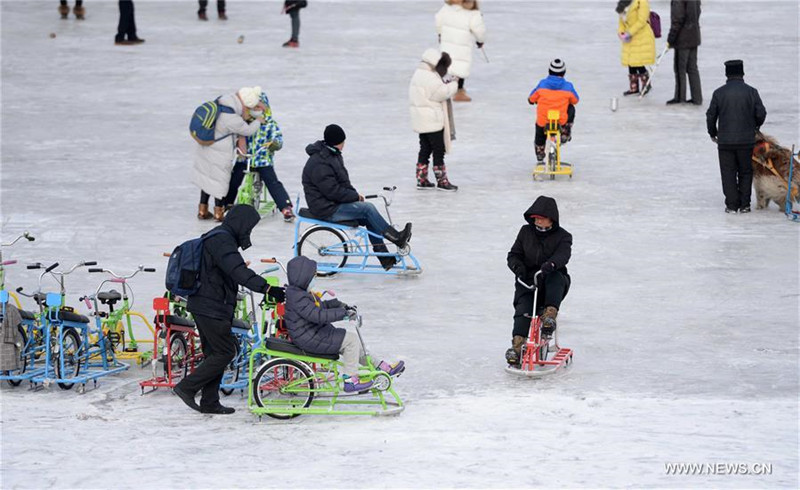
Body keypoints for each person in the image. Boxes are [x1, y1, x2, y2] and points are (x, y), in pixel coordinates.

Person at [173, 205, 286, 414]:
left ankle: (210, 402)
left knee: (214, 354)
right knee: (226, 352)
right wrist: (268, 289)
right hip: (211, 306)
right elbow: (239, 272)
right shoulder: (221, 241)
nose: (248, 232)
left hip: (206, 304)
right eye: (249, 227)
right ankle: (187, 387)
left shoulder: (218, 238)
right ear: (240, 222)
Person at [284, 256, 404, 392]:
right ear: (303, 277)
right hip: (310, 338)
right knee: (350, 340)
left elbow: (319, 307)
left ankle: (381, 367)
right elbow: (318, 315)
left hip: (313, 334)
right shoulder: (299, 298)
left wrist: (337, 304)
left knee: (353, 342)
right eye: (313, 276)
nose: (315, 279)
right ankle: (350, 381)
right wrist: (343, 313)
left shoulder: (299, 294)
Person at [301, 124, 413, 271]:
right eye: (342, 142)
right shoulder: (320, 163)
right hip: (326, 208)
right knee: (368, 209)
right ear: (336, 142)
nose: (344, 145)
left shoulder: (331, 155)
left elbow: (343, 182)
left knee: (369, 217)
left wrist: (354, 196)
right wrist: (354, 197)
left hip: (332, 203)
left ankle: (385, 258)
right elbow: (332, 191)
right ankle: (397, 238)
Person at [505, 196, 572, 367]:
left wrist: (551, 264)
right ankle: (517, 347)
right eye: (535, 217)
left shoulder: (563, 236)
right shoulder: (525, 232)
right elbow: (514, 255)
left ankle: (549, 317)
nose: (538, 220)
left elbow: (563, 255)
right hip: (528, 281)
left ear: (551, 218)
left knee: (555, 278)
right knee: (523, 309)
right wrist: (518, 268)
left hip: (551, 279)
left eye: (542, 217)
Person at [192, 87, 267, 221]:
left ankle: (202, 210)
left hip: (207, 147)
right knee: (219, 181)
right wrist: (258, 121)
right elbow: (247, 130)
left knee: (208, 180)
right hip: (219, 152)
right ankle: (218, 213)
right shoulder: (231, 118)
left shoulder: (223, 102)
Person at [223, 91, 295, 222]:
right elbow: (236, 136)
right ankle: (227, 203)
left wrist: (273, 145)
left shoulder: (269, 124)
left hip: (262, 160)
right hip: (245, 158)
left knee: (272, 182)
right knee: (234, 179)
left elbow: (277, 139)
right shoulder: (245, 122)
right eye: (253, 107)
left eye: (258, 107)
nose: (255, 110)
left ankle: (285, 206)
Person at [706, 60, 767, 214]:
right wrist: (755, 126)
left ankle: (732, 205)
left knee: (728, 172)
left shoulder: (719, 93)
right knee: (746, 171)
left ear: (727, 74)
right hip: (746, 140)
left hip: (725, 141)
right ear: (742, 73)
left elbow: (711, 115)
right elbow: (761, 113)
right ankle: (745, 204)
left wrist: (713, 132)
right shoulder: (751, 92)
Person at [409, 49, 459, 191]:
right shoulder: (430, 77)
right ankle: (442, 181)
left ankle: (421, 179)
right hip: (433, 120)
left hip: (421, 119)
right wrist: (454, 84)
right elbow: (441, 93)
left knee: (424, 148)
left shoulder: (419, 74)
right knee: (438, 150)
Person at [527, 59, 579, 166]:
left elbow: (531, 98)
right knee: (571, 108)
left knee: (539, 131)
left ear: (549, 71)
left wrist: (532, 101)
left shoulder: (542, 85)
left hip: (544, 121)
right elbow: (575, 100)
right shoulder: (568, 86)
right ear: (563, 73)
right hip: (561, 121)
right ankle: (565, 131)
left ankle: (540, 150)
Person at [435, 0, 486, 102]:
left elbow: (438, 19)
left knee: (447, 64)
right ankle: (459, 91)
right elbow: (479, 29)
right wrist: (480, 41)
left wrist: (440, 33)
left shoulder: (447, 8)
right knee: (460, 66)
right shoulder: (472, 13)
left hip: (447, 42)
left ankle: (445, 87)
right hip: (462, 45)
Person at [616, 0, 655, 96]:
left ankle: (646, 84)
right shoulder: (623, 3)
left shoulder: (642, 2)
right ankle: (634, 87)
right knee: (630, 61)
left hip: (641, 36)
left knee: (638, 62)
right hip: (629, 36)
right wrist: (621, 32)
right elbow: (621, 20)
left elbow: (642, 21)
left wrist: (630, 32)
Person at [666, 0, 702, 105]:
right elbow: (698, 12)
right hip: (694, 35)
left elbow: (678, 18)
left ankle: (680, 97)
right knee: (692, 68)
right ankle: (697, 98)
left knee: (679, 68)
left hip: (682, 38)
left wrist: (671, 37)